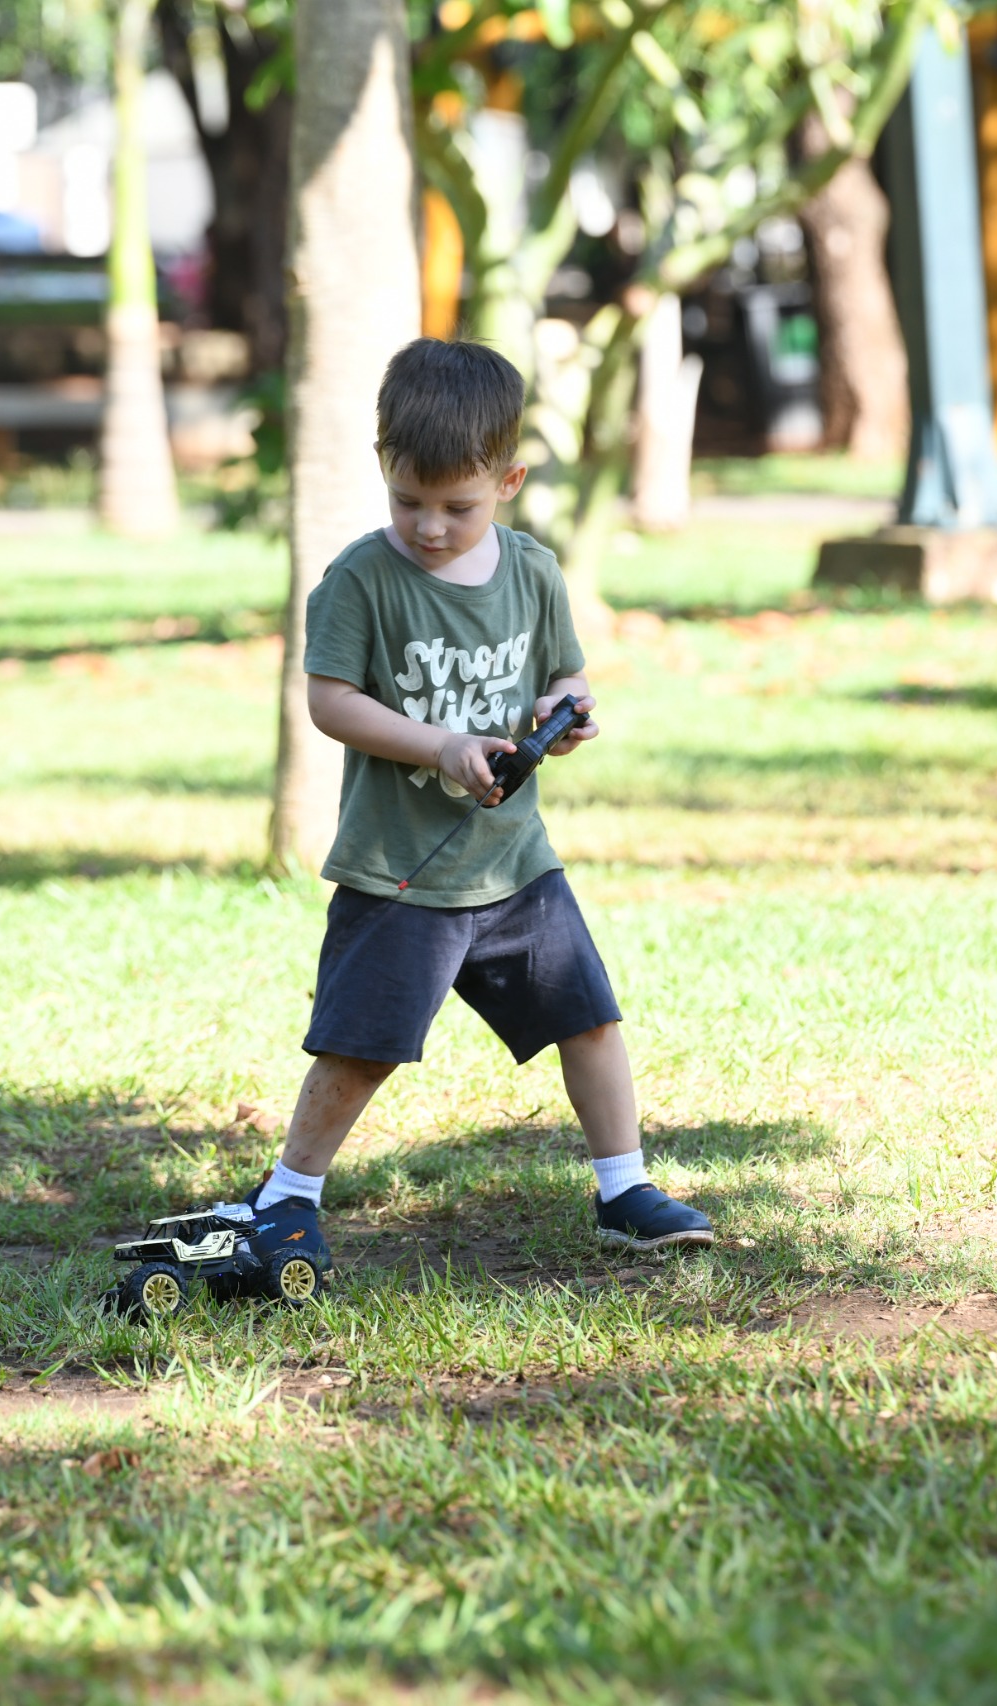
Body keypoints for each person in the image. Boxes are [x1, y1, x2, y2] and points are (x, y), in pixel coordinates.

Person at [234, 338, 716, 1286]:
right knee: (358, 1048)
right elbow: (331, 703)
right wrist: (442, 746)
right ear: (384, 471)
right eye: (408, 500)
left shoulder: (532, 572)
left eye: (458, 506)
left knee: (591, 1021)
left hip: (515, 863)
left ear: (509, 479)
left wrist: (563, 709)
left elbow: (563, 673)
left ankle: (624, 1190)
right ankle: (286, 1197)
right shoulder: (361, 582)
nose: (430, 526)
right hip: (401, 870)